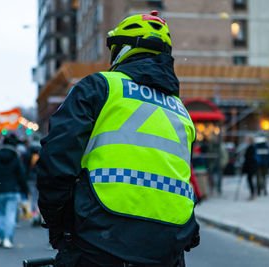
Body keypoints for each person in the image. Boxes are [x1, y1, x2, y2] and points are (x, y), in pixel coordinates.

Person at [37, 11, 200, 266]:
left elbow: (57, 159)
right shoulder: (181, 111)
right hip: (168, 246)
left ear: (123, 49)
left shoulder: (99, 87)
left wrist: (59, 225)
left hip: (98, 240)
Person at [0, 134, 28, 248]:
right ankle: (7, 238)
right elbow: (21, 176)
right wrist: (25, 190)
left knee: (0, 214)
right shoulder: (16, 158)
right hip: (13, 190)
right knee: (11, 215)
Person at [242, 136, 257, 200]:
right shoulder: (252, 147)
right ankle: (253, 193)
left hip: (250, 167)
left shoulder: (251, 148)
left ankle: (253, 193)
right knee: (250, 180)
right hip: (251, 167)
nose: (246, 141)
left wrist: (244, 167)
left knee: (250, 180)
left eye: (247, 139)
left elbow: (248, 159)